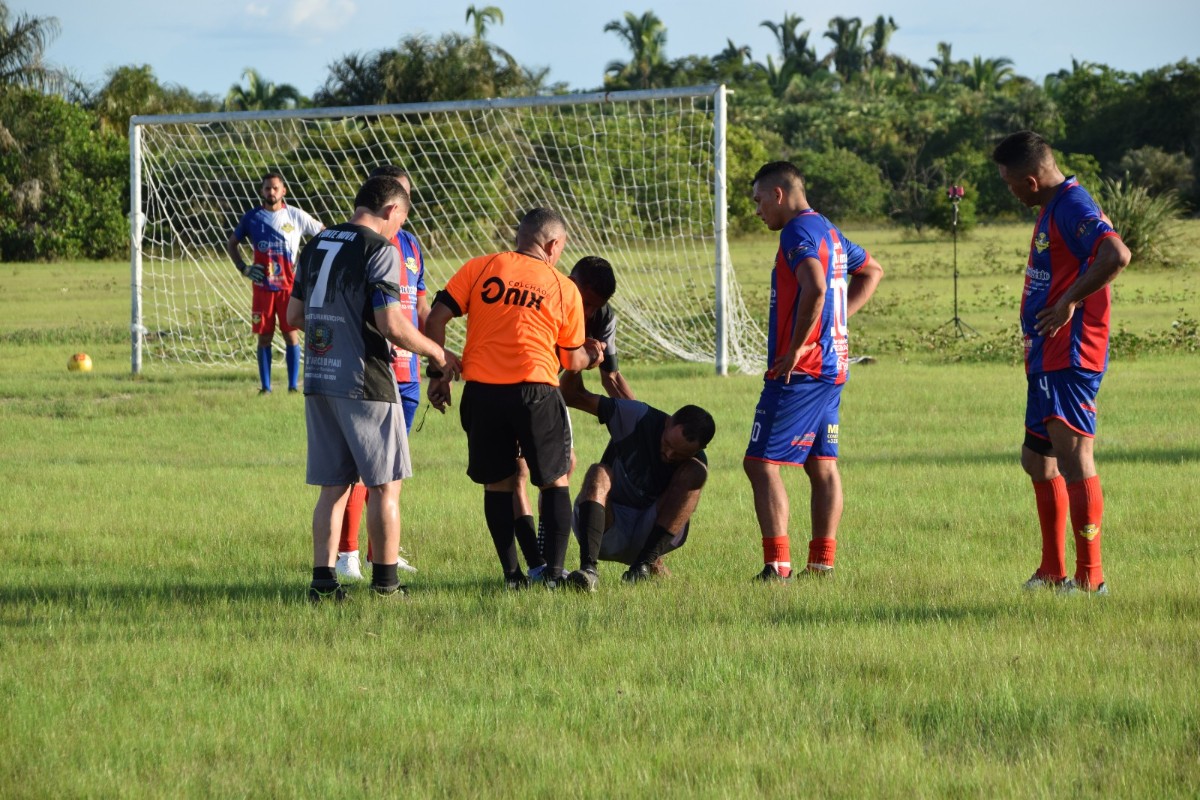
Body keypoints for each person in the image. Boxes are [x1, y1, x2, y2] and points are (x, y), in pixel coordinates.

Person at [286, 176, 459, 601]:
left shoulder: (317, 243)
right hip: (365, 380)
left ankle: (323, 585)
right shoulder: (379, 249)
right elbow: (392, 326)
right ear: (390, 211)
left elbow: (293, 315)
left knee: (334, 488)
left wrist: (333, 335)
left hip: (320, 378)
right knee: (386, 485)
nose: (400, 229)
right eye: (402, 219)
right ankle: (386, 585)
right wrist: (438, 355)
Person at [423, 207, 605, 590]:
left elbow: (435, 319)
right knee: (554, 481)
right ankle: (554, 577)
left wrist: (440, 371)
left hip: (483, 394)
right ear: (553, 245)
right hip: (535, 392)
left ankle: (512, 576)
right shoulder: (561, 286)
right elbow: (569, 358)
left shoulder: (480, 267)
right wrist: (593, 356)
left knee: (499, 485)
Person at [992, 130, 1130, 595]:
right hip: (1046, 354)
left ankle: (1091, 581)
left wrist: (1070, 301)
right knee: (1037, 459)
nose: (1010, 192)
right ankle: (1052, 572)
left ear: (1030, 181)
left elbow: (1116, 254)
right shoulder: (1053, 207)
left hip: (1070, 354)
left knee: (1074, 458)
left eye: (1010, 183)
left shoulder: (1072, 205)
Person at [744, 161, 884, 581]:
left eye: (758, 200)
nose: (757, 210)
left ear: (779, 195)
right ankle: (821, 564)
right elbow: (872, 271)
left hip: (802, 371)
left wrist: (798, 346)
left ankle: (777, 566)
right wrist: (834, 323)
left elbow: (818, 287)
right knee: (821, 464)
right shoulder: (828, 230)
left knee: (761, 463)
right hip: (834, 365)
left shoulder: (796, 232)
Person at [511, 256, 637, 581]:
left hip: (549, 391)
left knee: (562, 466)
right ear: (570, 282)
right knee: (516, 473)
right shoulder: (545, 299)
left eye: (597, 306)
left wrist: (641, 420)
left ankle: (544, 562)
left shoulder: (603, 317)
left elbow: (610, 377)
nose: (590, 312)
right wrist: (581, 358)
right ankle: (533, 564)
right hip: (515, 385)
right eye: (587, 302)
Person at [335, 165, 430, 582]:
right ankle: (346, 553)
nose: (404, 214)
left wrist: (431, 352)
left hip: (406, 374)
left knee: (390, 470)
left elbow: (419, 306)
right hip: (369, 369)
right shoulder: (365, 246)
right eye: (400, 204)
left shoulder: (410, 245)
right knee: (358, 468)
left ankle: (381, 553)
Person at [560, 380, 714, 592]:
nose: (669, 455)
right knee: (599, 472)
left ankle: (642, 567)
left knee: (696, 472)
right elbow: (570, 394)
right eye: (667, 444)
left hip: (649, 534)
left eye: (680, 455)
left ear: (700, 449)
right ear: (667, 422)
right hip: (606, 527)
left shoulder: (696, 462)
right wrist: (575, 362)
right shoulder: (637, 417)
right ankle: (588, 570)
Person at [226, 172, 324, 394]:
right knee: (264, 337)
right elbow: (232, 244)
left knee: (291, 334)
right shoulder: (252, 217)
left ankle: (292, 386)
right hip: (262, 288)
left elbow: (322, 232)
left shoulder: (295, 215)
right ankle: (266, 388)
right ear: (262, 191)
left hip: (289, 289)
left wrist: (308, 262)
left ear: (283, 191)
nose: (271, 192)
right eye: (267, 188)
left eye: (275, 188)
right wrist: (244, 268)